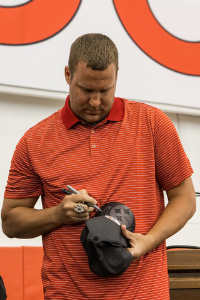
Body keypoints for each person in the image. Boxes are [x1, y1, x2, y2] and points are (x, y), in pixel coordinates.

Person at [1, 33, 196, 299]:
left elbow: (185, 200)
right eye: (86, 90)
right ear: (68, 75)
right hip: (67, 294)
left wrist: (147, 242)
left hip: (144, 293)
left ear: (117, 77)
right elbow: (11, 222)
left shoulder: (153, 124)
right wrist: (58, 214)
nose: (95, 102)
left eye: (105, 90)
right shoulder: (34, 140)